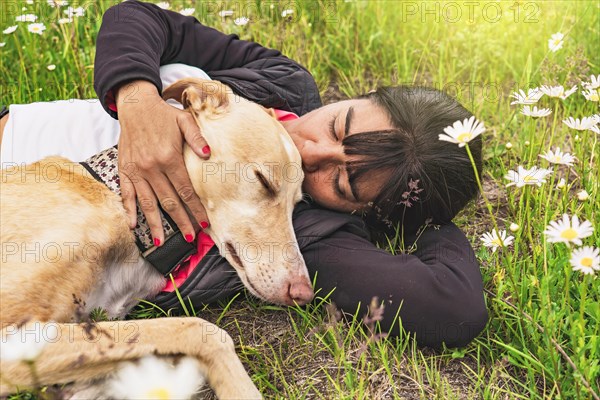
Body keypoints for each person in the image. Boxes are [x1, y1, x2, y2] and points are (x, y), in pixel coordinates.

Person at [0, 0, 487, 348]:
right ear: (360, 97)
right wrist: (136, 98)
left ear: (364, 212)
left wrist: (433, 221)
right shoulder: (280, 82)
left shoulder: (316, 233)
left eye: (342, 183)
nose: (312, 150)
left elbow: (452, 310)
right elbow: (138, 17)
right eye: (339, 124)